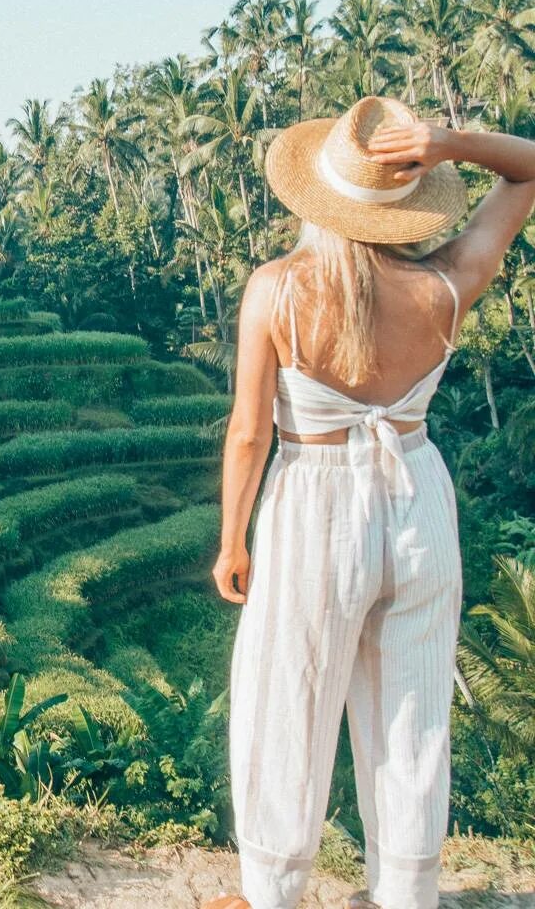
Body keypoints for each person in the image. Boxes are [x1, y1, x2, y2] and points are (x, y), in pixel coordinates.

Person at [202, 96, 535, 909]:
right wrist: (447, 142)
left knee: (289, 696)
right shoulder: (448, 284)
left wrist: (232, 541)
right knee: (412, 708)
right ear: (406, 206)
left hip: (314, 500)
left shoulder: (276, 289)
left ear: (318, 198)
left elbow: (249, 431)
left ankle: (274, 891)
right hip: (417, 490)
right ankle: (406, 894)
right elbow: (529, 167)